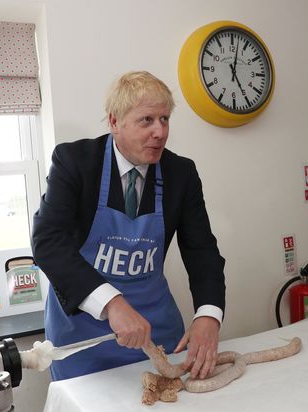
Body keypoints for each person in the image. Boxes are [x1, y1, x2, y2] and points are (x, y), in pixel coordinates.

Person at [32, 71, 226, 381]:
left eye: (164, 119)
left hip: (157, 330)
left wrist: (208, 316)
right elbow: (48, 241)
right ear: (114, 122)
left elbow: (202, 251)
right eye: (146, 120)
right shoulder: (76, 162)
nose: (160, 132)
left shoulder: (181, 173)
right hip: (85, 337)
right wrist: (112, 303)